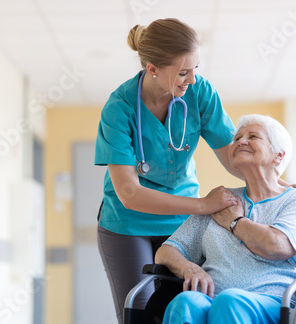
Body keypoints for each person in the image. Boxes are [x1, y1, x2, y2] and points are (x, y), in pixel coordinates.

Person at [94, 18, 242, 323]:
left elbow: (232, 155)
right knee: (140, 313)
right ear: (152, 69)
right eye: (183, 72)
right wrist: (203, 205)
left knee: (185, 308)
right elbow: (130, 193)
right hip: (127, 224)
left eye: (196, 69)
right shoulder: (119, 108)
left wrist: (276, 184)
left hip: (182, 223)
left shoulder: (199, 93)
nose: (191, 80)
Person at [155, 114, 296, 324]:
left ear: (278, 155)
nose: (241, 141)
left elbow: (276, 245)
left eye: (253, 136)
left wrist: (236, 223)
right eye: (237, 138)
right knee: (186, 303)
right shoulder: (220, 201)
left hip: (275, 303)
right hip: (213, 300)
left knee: (229, 301)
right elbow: (167, 251)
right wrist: (190, 268)